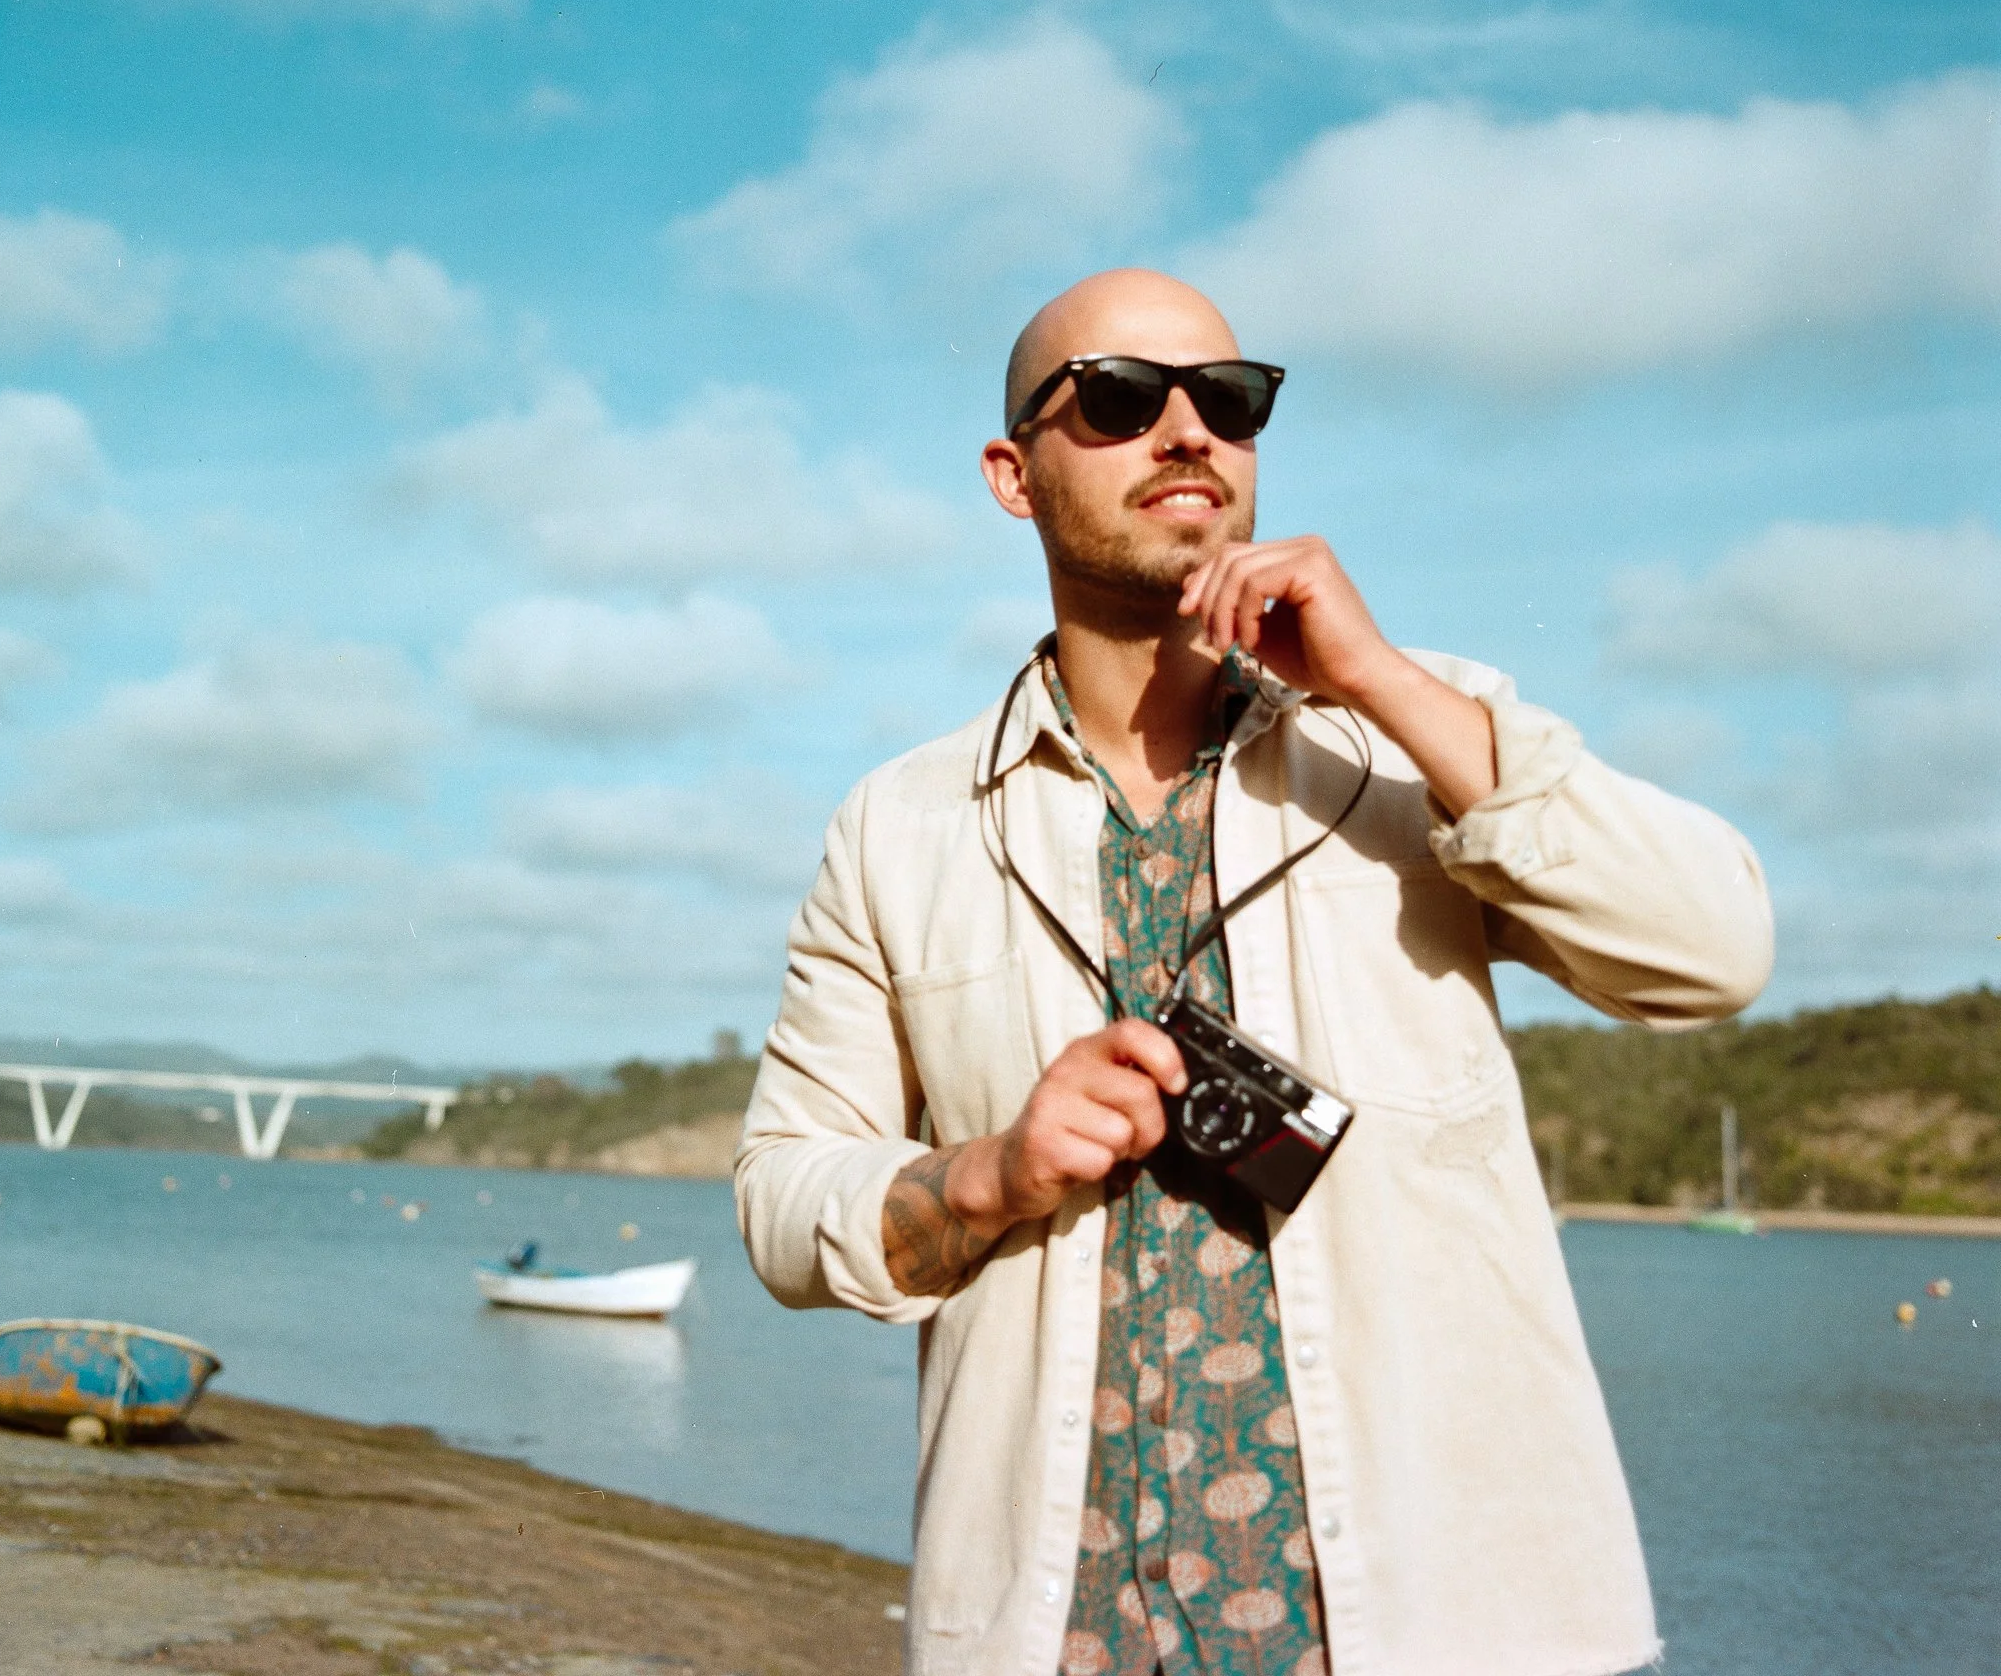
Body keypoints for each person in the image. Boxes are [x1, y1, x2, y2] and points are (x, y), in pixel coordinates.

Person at [736, 268, 1772, 1676]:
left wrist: (1387, 683)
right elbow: (786, 1203)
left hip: (1444, 1630)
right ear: (1011, 475)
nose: (1185, 432)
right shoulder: (901, 826)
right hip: (1059, 1635)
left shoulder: (1412, 734)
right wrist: (994, 1174)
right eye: (1115, 398)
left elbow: (1713, 951)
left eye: (1227, 399)